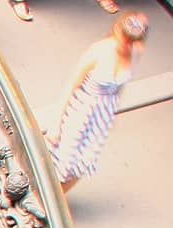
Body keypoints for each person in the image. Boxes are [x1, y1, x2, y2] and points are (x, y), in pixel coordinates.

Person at [49, 11, 149, 192]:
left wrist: (112, 114)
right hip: (82, 109)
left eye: (131, 40)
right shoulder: (99, 51)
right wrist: (56, 121)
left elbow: (122, 85)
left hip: (102, 115)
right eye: (125, 37)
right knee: (63, 156)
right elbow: (71, 85)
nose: (126, 43)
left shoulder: (135, 51)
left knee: (85, 160)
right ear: (117, 30)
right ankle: (45, 196)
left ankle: (59, 196)